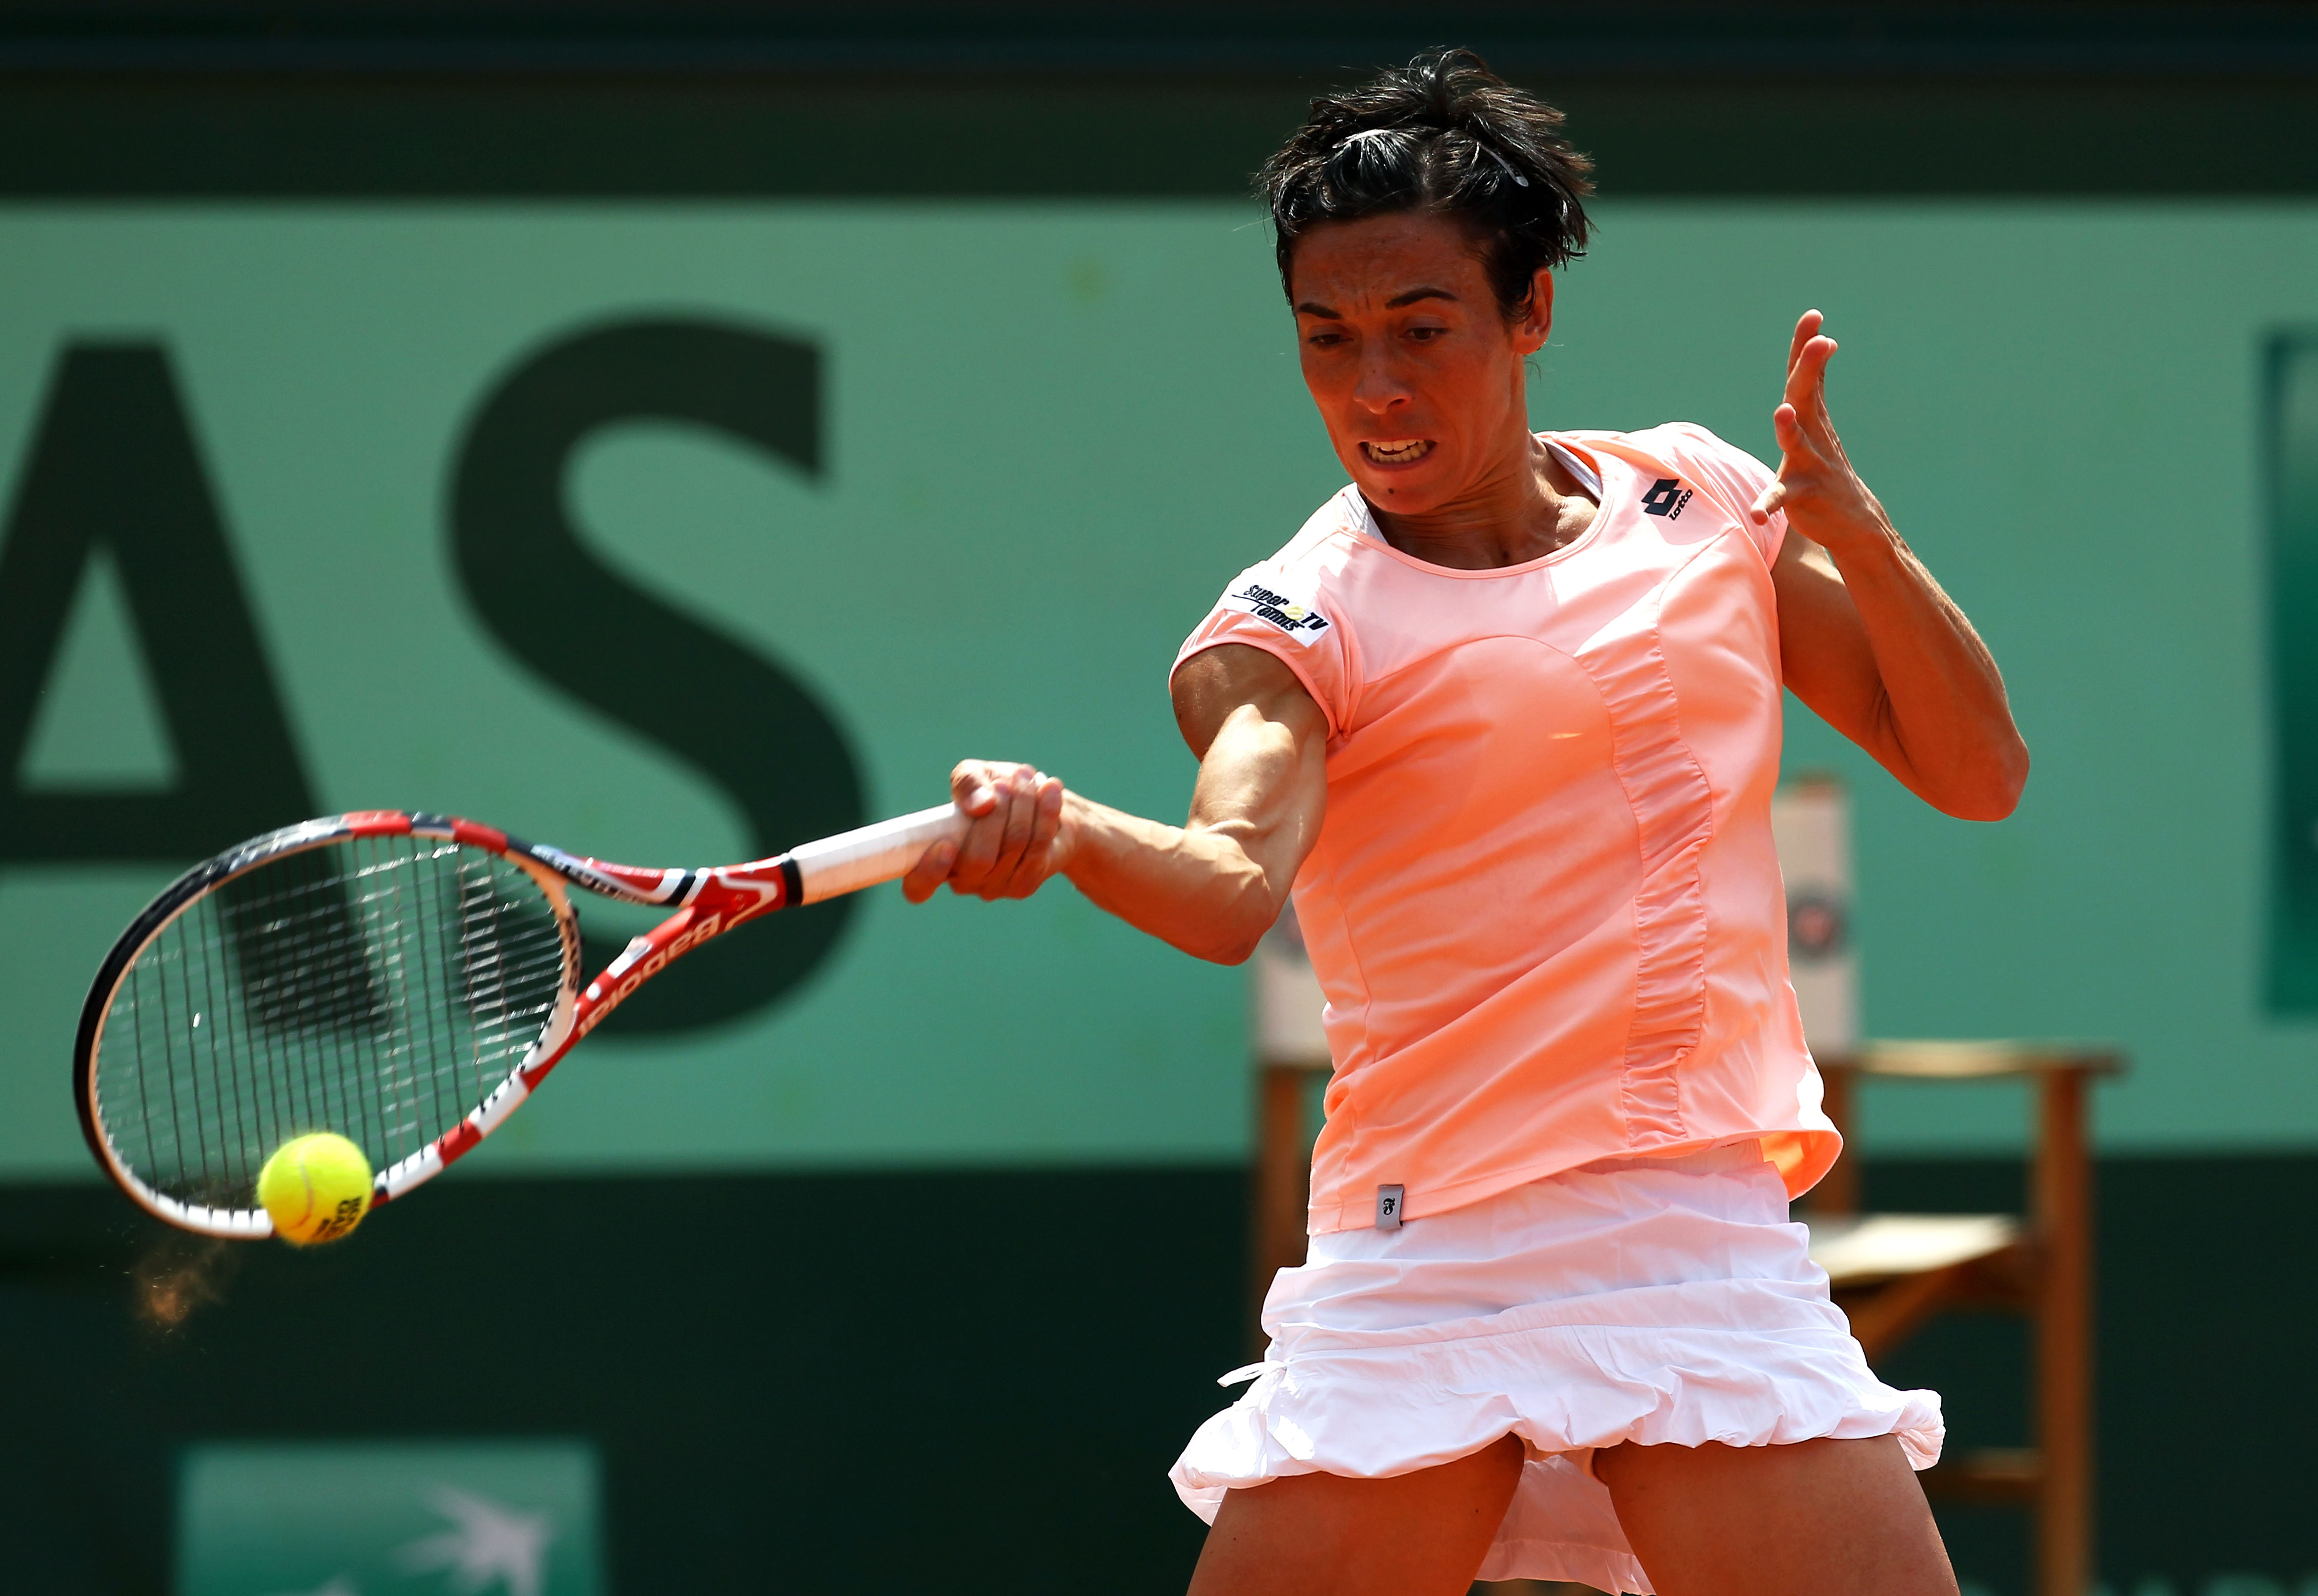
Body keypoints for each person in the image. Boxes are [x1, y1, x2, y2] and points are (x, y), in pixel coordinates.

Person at [900, 47, 2026, 1596]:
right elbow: (1232, 886)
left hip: (1695, 1227)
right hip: (1428, 1248)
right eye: (1329, 338)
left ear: (1530, 315)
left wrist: (1862, 536)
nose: (1375, 389)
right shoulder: (1289, 627)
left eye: (1422, 329)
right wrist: (1070, 828)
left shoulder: (1692, 501)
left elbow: (1977, 769)